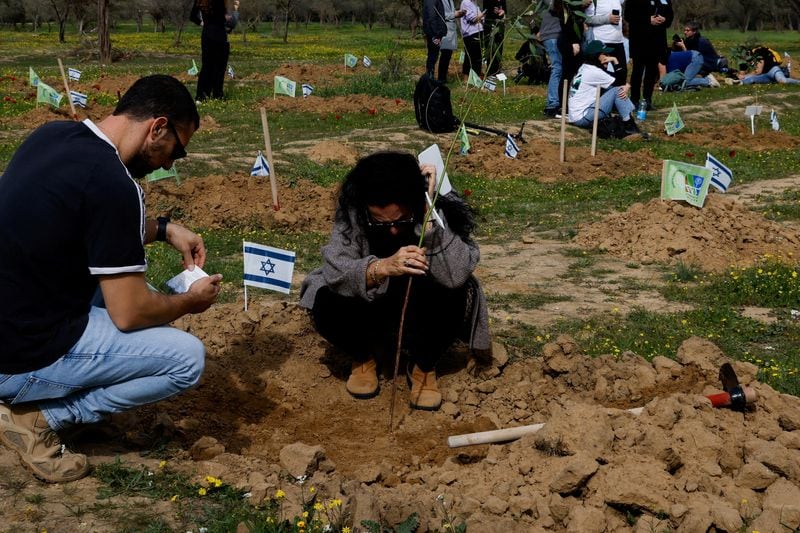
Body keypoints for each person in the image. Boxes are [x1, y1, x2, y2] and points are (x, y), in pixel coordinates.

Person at [0, 75, 223, 483]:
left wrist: (164, 228)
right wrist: (190, 302)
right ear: (157, 127)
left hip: (11, 316)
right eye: (178, 149)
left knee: (142, 292)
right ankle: (41, 417)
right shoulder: (115, 184)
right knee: (187, 359)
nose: (171, 163)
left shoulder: (53, 136)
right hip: (18, 356)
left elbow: (80, 223)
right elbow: (130, 314)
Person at [300, 152, 491, 411]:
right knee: (325, 298)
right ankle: (363, 359)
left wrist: (429, 217)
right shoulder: (354, 210)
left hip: (422, 303)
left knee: (457, 293)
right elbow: (336, 270)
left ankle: (423, 366)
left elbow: (457, 273)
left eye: (400, 221)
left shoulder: (434, 204)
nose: (392, 230)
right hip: (371, 303)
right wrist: (383, 267)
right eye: (380, 222)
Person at [568, 40, 639, 136]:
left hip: (576, 116)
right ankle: (629, 124)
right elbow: (620, 82)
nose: (608, 56)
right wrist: (615, 61)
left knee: (612, 89)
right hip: (583, 117)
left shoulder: (585, 67)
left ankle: (628, 119)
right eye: (604, 53)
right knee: (616, 91)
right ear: (597, 55)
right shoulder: (594, 72)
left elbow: (616, 80)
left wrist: (625, 85)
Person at [625, 0, 673, 109]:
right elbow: (628, 15)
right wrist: (648, 19)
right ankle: (635, 100)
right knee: (638, 70)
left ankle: (647, 100)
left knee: (651, 71)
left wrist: (665, 19)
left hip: (657, 40)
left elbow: (670, 15)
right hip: (639, 39)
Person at [190, 0, 233, 101]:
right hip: (219, 35)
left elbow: (192, 16)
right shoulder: (220, 2)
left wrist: (203, 23)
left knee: (206, 66)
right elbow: (223, 19)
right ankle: (217, 94)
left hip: (207, 35)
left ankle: (201, 95)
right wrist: (230, 17)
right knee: (219, 67)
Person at [585, 0, 627, 86]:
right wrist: (607, 19)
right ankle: (601, 98)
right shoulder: (594, 1)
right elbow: (588, 19)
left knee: (622, 75)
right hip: (601, 41)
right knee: (601, 77)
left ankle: (617, 98)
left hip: (618, 41)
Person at [540, 0, 563, 117]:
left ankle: (555, 103)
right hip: (552, 35)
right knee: (557, 68)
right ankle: (552, 105)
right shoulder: (553, 3)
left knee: (559, 68)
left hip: (553, 35)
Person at [459, 0, 485, 79]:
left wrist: (481, 17)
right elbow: (473, 19)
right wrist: (483, 14)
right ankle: (465, 78)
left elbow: (481, 19)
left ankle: (476, 78)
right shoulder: (466, 2)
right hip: (470, 33)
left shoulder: (475, 3)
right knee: (469, 56)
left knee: (478, 57)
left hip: (478, 31)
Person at [483, 0, 507, 75]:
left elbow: (505, 10)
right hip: (490, 24)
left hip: (500, 25)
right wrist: (495, 11)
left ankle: (497, 70)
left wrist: (503, 12)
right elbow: (486, 10)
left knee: (499, 47)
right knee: (490, 47)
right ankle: (490, 70)